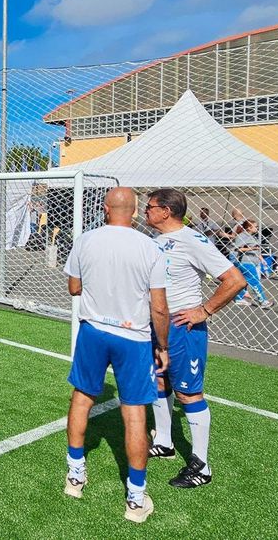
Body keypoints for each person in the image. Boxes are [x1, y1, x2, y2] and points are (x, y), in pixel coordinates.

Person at [61, 187, 169, 524]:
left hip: (93, 331)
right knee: (135, 413)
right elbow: (159, 307)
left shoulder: (85, 240)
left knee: (81, 399)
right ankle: (135, 499)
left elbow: (74, 288)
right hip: (133, 337)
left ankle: (75, 477)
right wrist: (163, 346)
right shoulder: (150, 247)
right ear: (135, 212)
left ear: (106, 209)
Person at [143, 188, 247, 489]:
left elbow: (235, 280)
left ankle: (201, 465)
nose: (145, 211)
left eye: (150, 206)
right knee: (159, 382)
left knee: (188, 393)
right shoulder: (154, 240)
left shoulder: (192, 240)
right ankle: (164, 441)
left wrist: (204, 310)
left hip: (182, 327)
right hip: (157, 324)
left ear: (166, 211)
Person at [233, 219, 272, 308]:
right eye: (256, 227)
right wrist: (252, 249)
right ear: (249, 228)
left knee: (244, 282)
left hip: (253, 261)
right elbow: (238, 249)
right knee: (255, 281)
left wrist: (261, 259)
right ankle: (262, 301)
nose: (257, 228)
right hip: (246, 262)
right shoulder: (242, 236)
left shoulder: (252, 237)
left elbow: (257, 250)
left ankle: (239, 298)